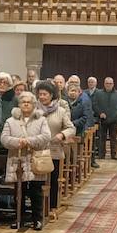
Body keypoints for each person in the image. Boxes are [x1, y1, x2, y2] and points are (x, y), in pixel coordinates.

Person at [1, 91, 51, 230]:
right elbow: (4, 139)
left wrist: (29, 141)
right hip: (17, 160)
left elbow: (46, 136)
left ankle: (37, 219)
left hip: (35, 159)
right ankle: (18, 218)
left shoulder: (41, 120)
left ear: (34, 105)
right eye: (23, 102)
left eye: (29, 102)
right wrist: (18, 142)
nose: (26, 104)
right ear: (19, 104)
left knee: (36, 191)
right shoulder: (10, 121)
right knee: (19, 191)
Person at [36, 81, 76, 213]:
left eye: (45, 94)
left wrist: (62, 135)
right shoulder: (34, 110)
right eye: (40, 94)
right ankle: (38, 208)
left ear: (51, 95)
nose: (42, 97)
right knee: (37, 182)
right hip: (37, 151)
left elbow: (71, 128)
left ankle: (51, 207)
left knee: (52, 181)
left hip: (54, 150)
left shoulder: (61, 111)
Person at [92, 77, 117, 161]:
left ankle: (114, 154)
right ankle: (101, 154)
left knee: (113, 138)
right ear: (104, 84)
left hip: (114, 120)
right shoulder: (99, 93)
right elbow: (95, 105)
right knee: (101, 137)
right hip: (103, 119)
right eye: (107, 83)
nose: (108, 85)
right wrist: (100, 113)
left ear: (113, 84)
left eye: (110, 84)